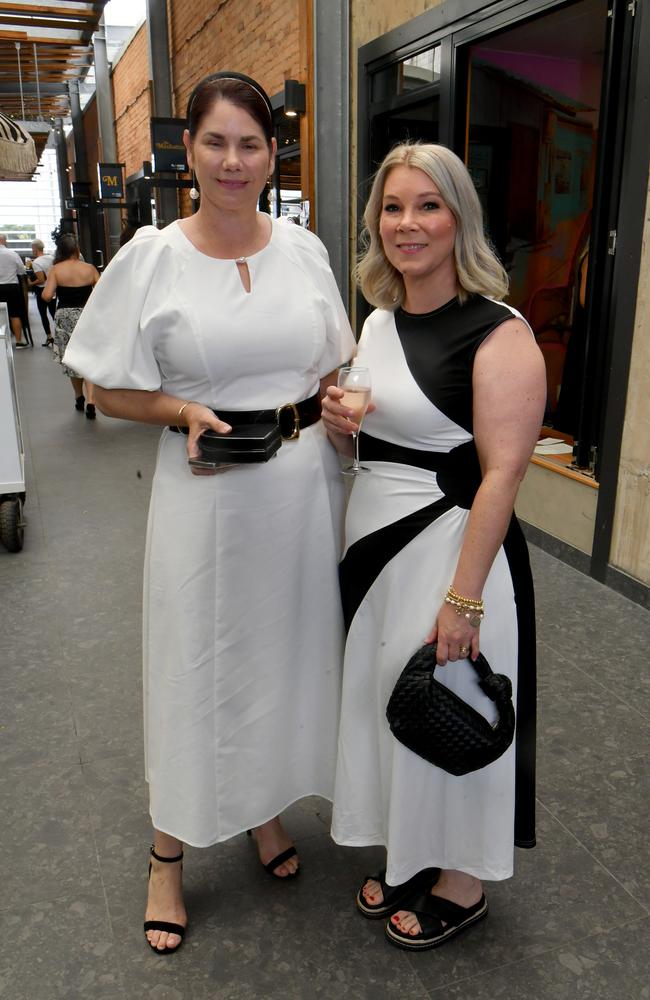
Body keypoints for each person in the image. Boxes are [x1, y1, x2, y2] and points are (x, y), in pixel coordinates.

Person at [63, 70, 355, 955]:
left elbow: (327, 366)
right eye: (217, 142)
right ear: (186, 150)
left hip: (300, 492)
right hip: (209, 494)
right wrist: (182, 409)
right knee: (196, 666)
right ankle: (166, 853)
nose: (234, 160)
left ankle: (263, 809)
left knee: (282, 657)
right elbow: (103, 386)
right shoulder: (154, 255)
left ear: (274, 154)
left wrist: (339, 409)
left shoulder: (303, 251)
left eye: (252, 144)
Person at [323, 142, 546, 951]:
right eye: (392, 207)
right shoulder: (377, 320)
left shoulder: (501, 331)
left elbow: (503, 477)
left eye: (428, 206)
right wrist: (339, 426)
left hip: (453, 553)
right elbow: (373, 448)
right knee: (395, 699)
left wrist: (465, 597)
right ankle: (415, 850)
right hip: (377, 552)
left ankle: (464, 879)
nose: (406, 223)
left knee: (449, 696)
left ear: (460, 220)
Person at [42, 234, 100, 418]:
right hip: (86, 315)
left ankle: (78, 396)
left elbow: (46, 295)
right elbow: (101, 291)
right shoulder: (89, 268)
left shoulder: (56, 269)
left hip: (65, 316)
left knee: (72, 358)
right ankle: (92, 400)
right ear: (77, 249)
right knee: (89, 357)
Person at [0, 232, 28, 348]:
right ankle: (18, 341)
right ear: (4, 241)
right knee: (14, 314)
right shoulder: (12, 254)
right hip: (11, 286)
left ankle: (1, 342)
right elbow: (21, 271)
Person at [28, 239, 56, 346]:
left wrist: (30, 283)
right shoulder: (52, 258)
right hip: (53, 288)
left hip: (42, 290)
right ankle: (60, 335)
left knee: (43, 314)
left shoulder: (36, 262)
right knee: (54, 313)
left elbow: (41, 280)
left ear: (35, 249)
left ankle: (49, 337)